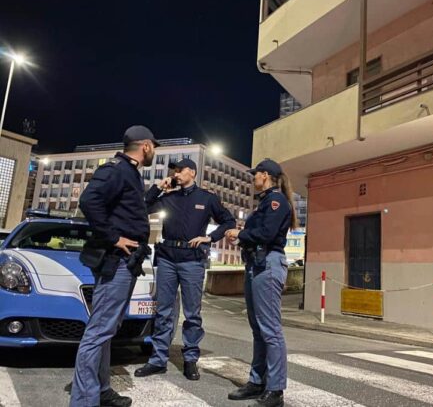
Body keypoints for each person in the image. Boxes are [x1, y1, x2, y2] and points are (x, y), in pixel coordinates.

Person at [70, 125, 159, 407]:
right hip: (116, 261)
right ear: (146, 146)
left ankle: (101, 390)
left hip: (124, 262)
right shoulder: (117, 169)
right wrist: (114, 237)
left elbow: (130, 210)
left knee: (106, 329)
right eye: (154, 147)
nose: (154, 152)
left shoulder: (129, 173)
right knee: (99, 331)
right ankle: (84, 400)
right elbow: (89, 200)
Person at [134, 158, 236, 380]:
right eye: (175, 171)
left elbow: (229, 222)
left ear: (193, 172)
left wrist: (210, 238)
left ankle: (190, 359)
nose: (176, 174)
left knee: (192, 314)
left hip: (192, 260)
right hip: (167, 259)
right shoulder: (168, 197)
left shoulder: (207, 198)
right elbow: (141, 208)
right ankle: (158, 359)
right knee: (163, 312)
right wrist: (157, 188)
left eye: (180, 170)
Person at [225, 158, 298, 407]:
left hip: (268, 264)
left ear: (265, 175)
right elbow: (258, 234)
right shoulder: (266, 202)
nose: (253, 178)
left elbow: (266, 234)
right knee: (258, 329)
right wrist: (241, 238)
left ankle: (275, 390)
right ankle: (257, 382)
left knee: (270, 330)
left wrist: (240, 233)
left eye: (255, 174)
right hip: (256, 264)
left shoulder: (276, 202)